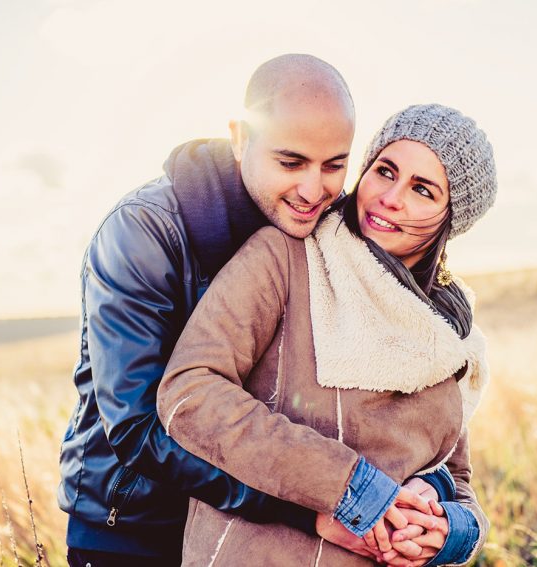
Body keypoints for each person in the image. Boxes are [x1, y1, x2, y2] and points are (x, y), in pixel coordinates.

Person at [58, 54, 447, 567]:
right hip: (135, 527)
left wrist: (427, 498)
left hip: (244, 541)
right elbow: (138, 424)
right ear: (242, 137)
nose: (314, 191)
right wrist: (310, 505)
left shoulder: (329, 233)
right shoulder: (142, 233)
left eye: (334, 165)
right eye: (291, 162)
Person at [158, 103, 496, 566]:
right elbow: (190, 392)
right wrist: (353, 489)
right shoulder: (286, 259)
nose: (390, 197)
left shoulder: (450, 331)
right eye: (385, 171)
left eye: (422, 189)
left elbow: (455, 478)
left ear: (450, 218)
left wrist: (449, 532)